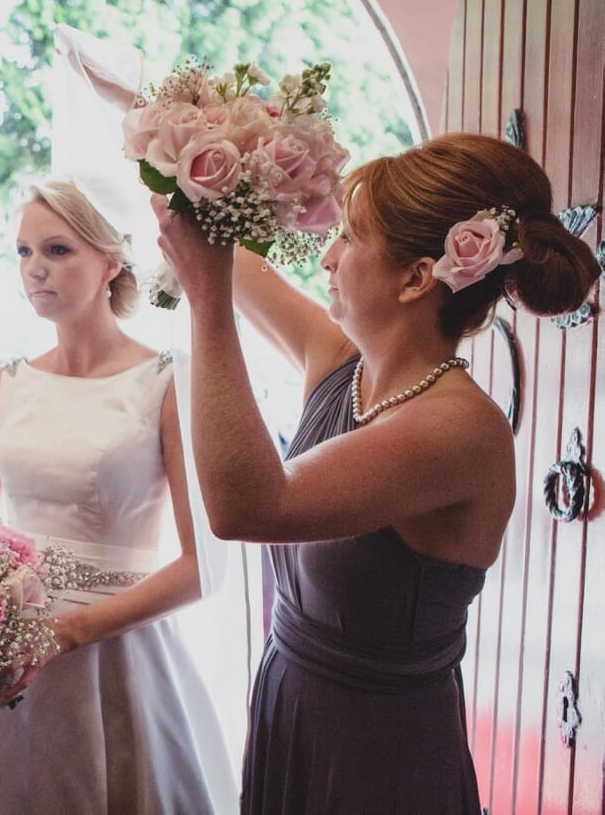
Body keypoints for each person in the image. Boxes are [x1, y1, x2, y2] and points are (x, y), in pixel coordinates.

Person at [153, 132, 599, 811]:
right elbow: (220, 244)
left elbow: (246, 504)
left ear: (417, 277)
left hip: (375, 757)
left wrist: (206, 300)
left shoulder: (459, 430)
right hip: (290, 712)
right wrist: (167, 135)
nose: (327, 256)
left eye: (350, 239)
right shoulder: (342, 364)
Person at [0, 178, 237, 813]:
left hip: (120, 653)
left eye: (58, 250)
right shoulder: (2, 386)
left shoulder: (167, 380)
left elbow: (205, 568)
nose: (35, 269)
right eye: (24, 252)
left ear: (111, 260)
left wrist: (67, 632)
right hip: (5, 655)